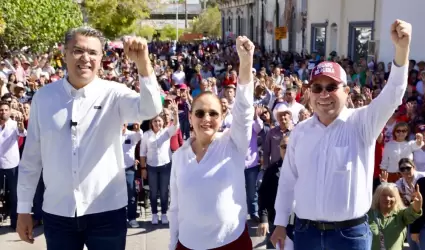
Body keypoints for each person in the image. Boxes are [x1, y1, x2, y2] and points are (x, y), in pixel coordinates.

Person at [270, 20, 413, 249]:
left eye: (331, 87)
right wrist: (279, 223)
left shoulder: (363, 122)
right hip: (305, 234)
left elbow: (394, 93)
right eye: (317, 88)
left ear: (346, 92)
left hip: (350, 236)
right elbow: (288, 180)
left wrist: (402, 49)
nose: (324, 94)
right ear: (309, 94)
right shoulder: (300, 132)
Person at [16, 26, 162, 250]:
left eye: (93, 52)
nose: (85, 58)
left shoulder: (114, 93)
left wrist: (143, 63)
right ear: (64, 54)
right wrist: (23, 210)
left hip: (106, 211)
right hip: (58, 212)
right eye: (77, 51)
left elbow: (150, 108)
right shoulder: (44, 98)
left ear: (101, 57)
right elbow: (31, 159)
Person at [168, 36, 255, 250]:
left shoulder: (233, 144)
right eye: (199, 113)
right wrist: (172, 244)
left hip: (231, 242)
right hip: (188, 244)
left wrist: (245, 63)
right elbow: (175, 208)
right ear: (190, 118)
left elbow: (244, 110)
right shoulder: (180, 156)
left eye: (213, 113)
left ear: (222, 117)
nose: (206, 118)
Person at [369, 175, 422, 250]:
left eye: (391, 196)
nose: (387, 198)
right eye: (383, 195)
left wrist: (418, 202)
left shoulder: (401, 214)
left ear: (396, 198)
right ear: (377, 197)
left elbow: (413, 212)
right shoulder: (368, 214)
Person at [0, 101, 26, 230]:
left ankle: (15, 222)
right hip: (0, 165)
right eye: (1, 110)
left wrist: (21, 124)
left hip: (12, 165)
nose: (3, 112)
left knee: (14, 195)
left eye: (5, 110)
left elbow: (22, 133)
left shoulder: (15, 124)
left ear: (9, 111)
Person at [121, 123, 143, 228]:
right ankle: (120, 218)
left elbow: (139, 136)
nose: (122, 126)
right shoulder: (112, 134)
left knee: (131, 194)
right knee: (117, 196)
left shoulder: (131, 135)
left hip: (129, 169)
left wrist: (138, 129)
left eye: (124, 124)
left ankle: (132, 218)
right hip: (115, 170)